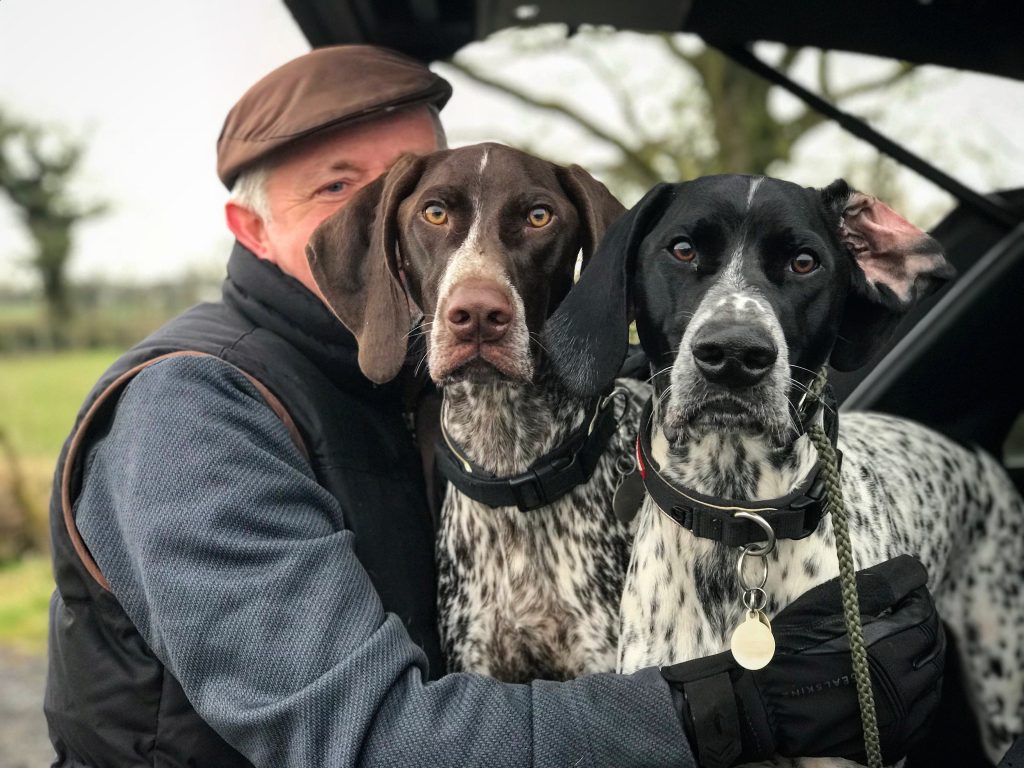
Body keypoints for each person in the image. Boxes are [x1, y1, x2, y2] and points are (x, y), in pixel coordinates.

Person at [45, 45, 945, 767]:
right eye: (335, 189)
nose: (384, 214)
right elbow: (362, 739)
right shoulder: (188, 415)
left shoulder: (429, 374)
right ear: (250, 229)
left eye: (411, 186)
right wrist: (736, 705)